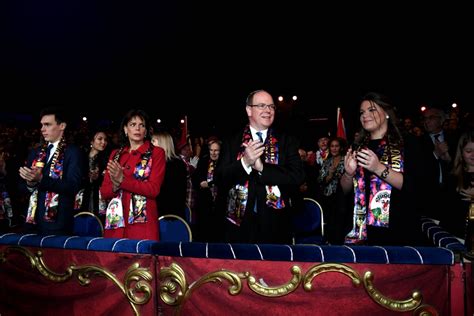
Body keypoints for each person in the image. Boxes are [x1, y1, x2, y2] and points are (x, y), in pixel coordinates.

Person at [215, 89, 305, 244]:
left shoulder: (286, 141)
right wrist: (245, 163)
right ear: (249, 110)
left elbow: (297, 176)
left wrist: (263, 168)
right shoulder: (231, 141)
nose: (268, 110)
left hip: (276, 225)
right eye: (262, 105)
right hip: (239, 226)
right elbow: (220, 179)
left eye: (271, 106)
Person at [340, 92, 421, 245]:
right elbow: (345, 191)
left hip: (398, 229)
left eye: (371, 110)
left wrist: (378, 168)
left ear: (387, 113)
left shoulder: (407, 143)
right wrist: (348, 174)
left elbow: (415, 186)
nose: (365, 115)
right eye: (362, 112)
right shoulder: (357, 146)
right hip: (361, 232)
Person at [100, 109, 165, 240]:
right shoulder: (115, 154)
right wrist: (115, 185)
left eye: (142, 125)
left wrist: (122, 181)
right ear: (125, 129)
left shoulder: (156, 153)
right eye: (132, 124)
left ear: (146, 131)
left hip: (142, 226)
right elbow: (104, 192)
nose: (137, 128)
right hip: (116, 225)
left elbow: (153, 190)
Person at [19, 107, 84, 235]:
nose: (42, 129)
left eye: (47, 125)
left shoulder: (73, 152)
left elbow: (73, 186)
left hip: (58, 224)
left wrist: (41, 179)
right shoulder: (35, 152)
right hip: (32, 221)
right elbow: (20, 187)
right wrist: (30, 184)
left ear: (62, 126)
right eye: (42, 125)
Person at [439, 131, 474, 257]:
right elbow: (447, 212)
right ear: (461, 152)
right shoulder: (453, 178)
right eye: (469, 151)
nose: (473, 155)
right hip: (457, 237)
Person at [151, 131, 187, 219]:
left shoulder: (177, 165)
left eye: (153, 141)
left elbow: (175, 193)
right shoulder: (153, 163)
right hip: (158, 212)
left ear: (163, 143)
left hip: (170, 215)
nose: (150, 145)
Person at [192, 138, 222, 242]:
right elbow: (195, 178)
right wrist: (200, 183)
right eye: (211, 150)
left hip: (219, 203)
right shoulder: (203, 160)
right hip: (204, 201)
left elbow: (223, 179)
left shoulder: (224, 162)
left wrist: (209, 184)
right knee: (203, 231)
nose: (213, 153)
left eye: (216, 150)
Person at [78, 129, 109, 222]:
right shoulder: (81, 157)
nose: (103, 142)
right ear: (92, 141)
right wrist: (88, 178)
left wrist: (98, 177)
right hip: (82, 198)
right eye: (100, 139)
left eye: (105, 140)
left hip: (99, 199)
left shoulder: (106, 159)